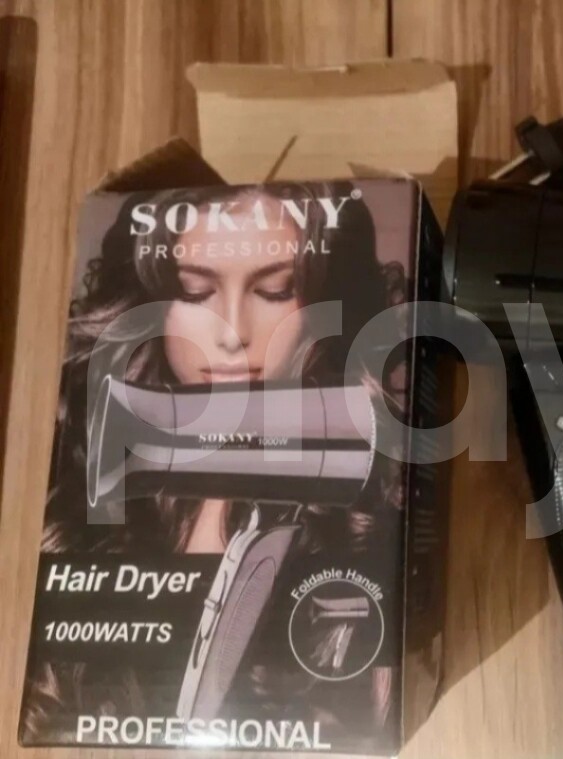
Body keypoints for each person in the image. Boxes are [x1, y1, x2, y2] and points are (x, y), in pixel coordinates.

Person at [24, 181, 406, 743]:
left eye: (275, 290)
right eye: (196, 292)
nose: (232, 335)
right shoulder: (75, 501)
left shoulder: (372, 518)